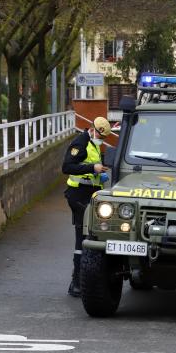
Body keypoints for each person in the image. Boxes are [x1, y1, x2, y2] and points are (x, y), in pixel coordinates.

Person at [62, 116, 112, 297]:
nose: (102, 140)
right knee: (82, 237)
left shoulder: (93, 144)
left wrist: (99, 176)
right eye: (101, 136)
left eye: (105, 138)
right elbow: (67, 167)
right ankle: (76, 283)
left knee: (88, 235)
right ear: (93, 129)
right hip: (78, 195)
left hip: (88, 194)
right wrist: (93, 168)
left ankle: (79, 282)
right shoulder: (80, 142)